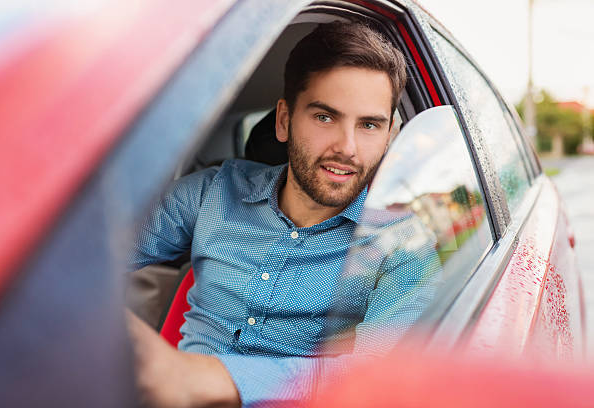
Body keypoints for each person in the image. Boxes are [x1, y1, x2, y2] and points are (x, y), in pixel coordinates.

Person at [127, 21, 438, 407]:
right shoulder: (211, 192)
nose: (348, 148)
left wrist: (207, 378)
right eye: (325, 117)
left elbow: (379, 377)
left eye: (369, 125)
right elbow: (94, 255)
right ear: (284, 120)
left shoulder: (404, 246)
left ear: (390, 134)